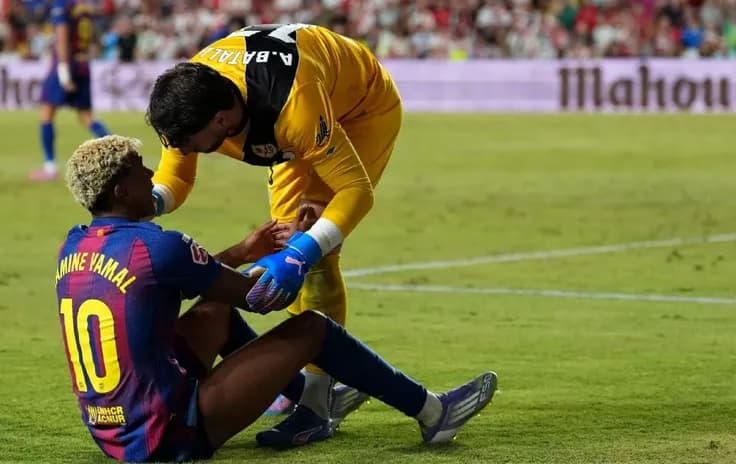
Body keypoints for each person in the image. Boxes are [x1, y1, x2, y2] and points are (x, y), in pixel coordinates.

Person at [55, 135, 498, 462]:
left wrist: (246, 252)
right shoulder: (158, 246)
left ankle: (311, 397)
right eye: (141, 170)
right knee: (312, 329)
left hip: (110, 427)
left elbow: (176, 278)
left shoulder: (74, 245)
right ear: (121, 191)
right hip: (165, 434)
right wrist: (298, 248)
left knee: (214, 312)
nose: (153, 176)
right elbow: (261, 297)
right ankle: (434, 412)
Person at [146, 23, 403, 446]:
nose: (184, 149)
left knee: (318, 253)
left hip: (358, 109)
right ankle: (304, 377)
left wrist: (304, 252)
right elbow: (174, 179)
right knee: (287, 243)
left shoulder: (291, 107)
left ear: (222, 120)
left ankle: (318, 404)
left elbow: (355, 191)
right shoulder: (191, 94)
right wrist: (143, 206)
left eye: (191, 142)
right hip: (294, 115)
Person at [30, 0, 110, 181]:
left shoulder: (62, 5)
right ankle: (121, 152)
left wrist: (64, 71)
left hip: (67, 62)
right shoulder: (84, 6)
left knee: (46, 113)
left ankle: (50, 167)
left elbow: (62, 35)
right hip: (83, 63)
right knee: (87, 117)